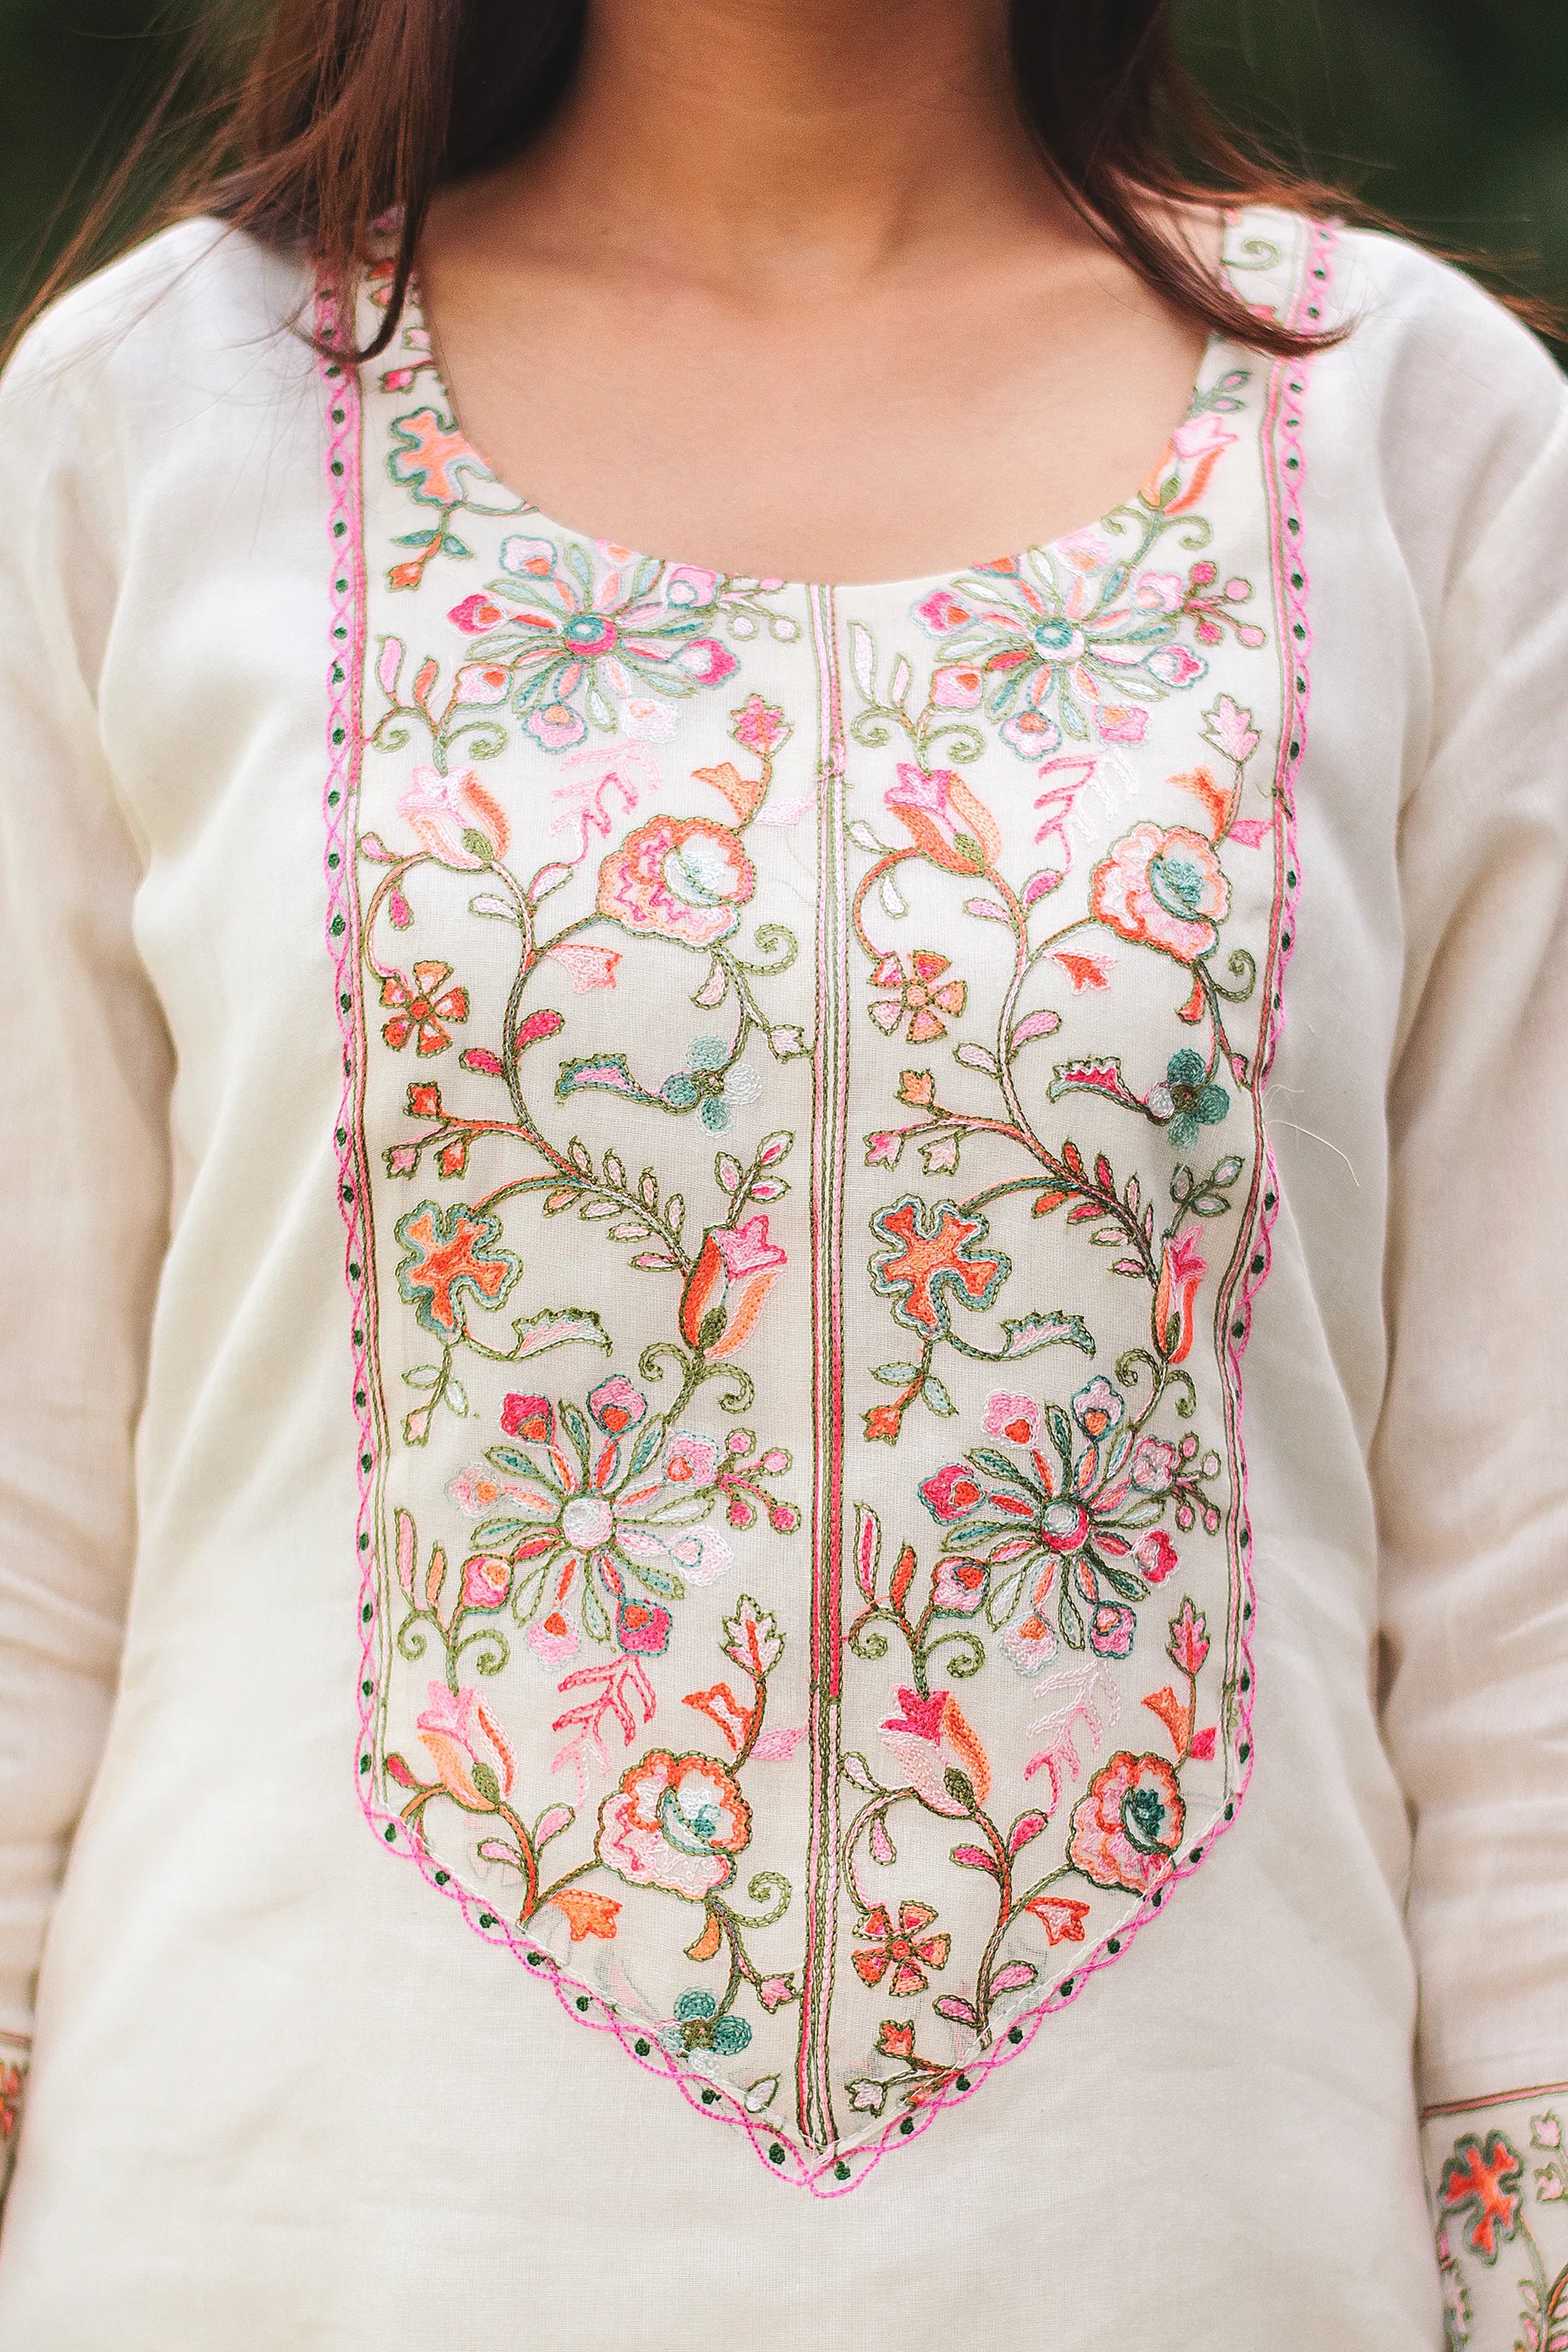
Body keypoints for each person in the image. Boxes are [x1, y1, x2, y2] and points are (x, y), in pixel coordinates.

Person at [0, 2, 1562, 2344]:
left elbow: (1523, 1545)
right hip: (284, 2233)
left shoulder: (1418, 443)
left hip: (1185, 2252)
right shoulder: (150, 421)